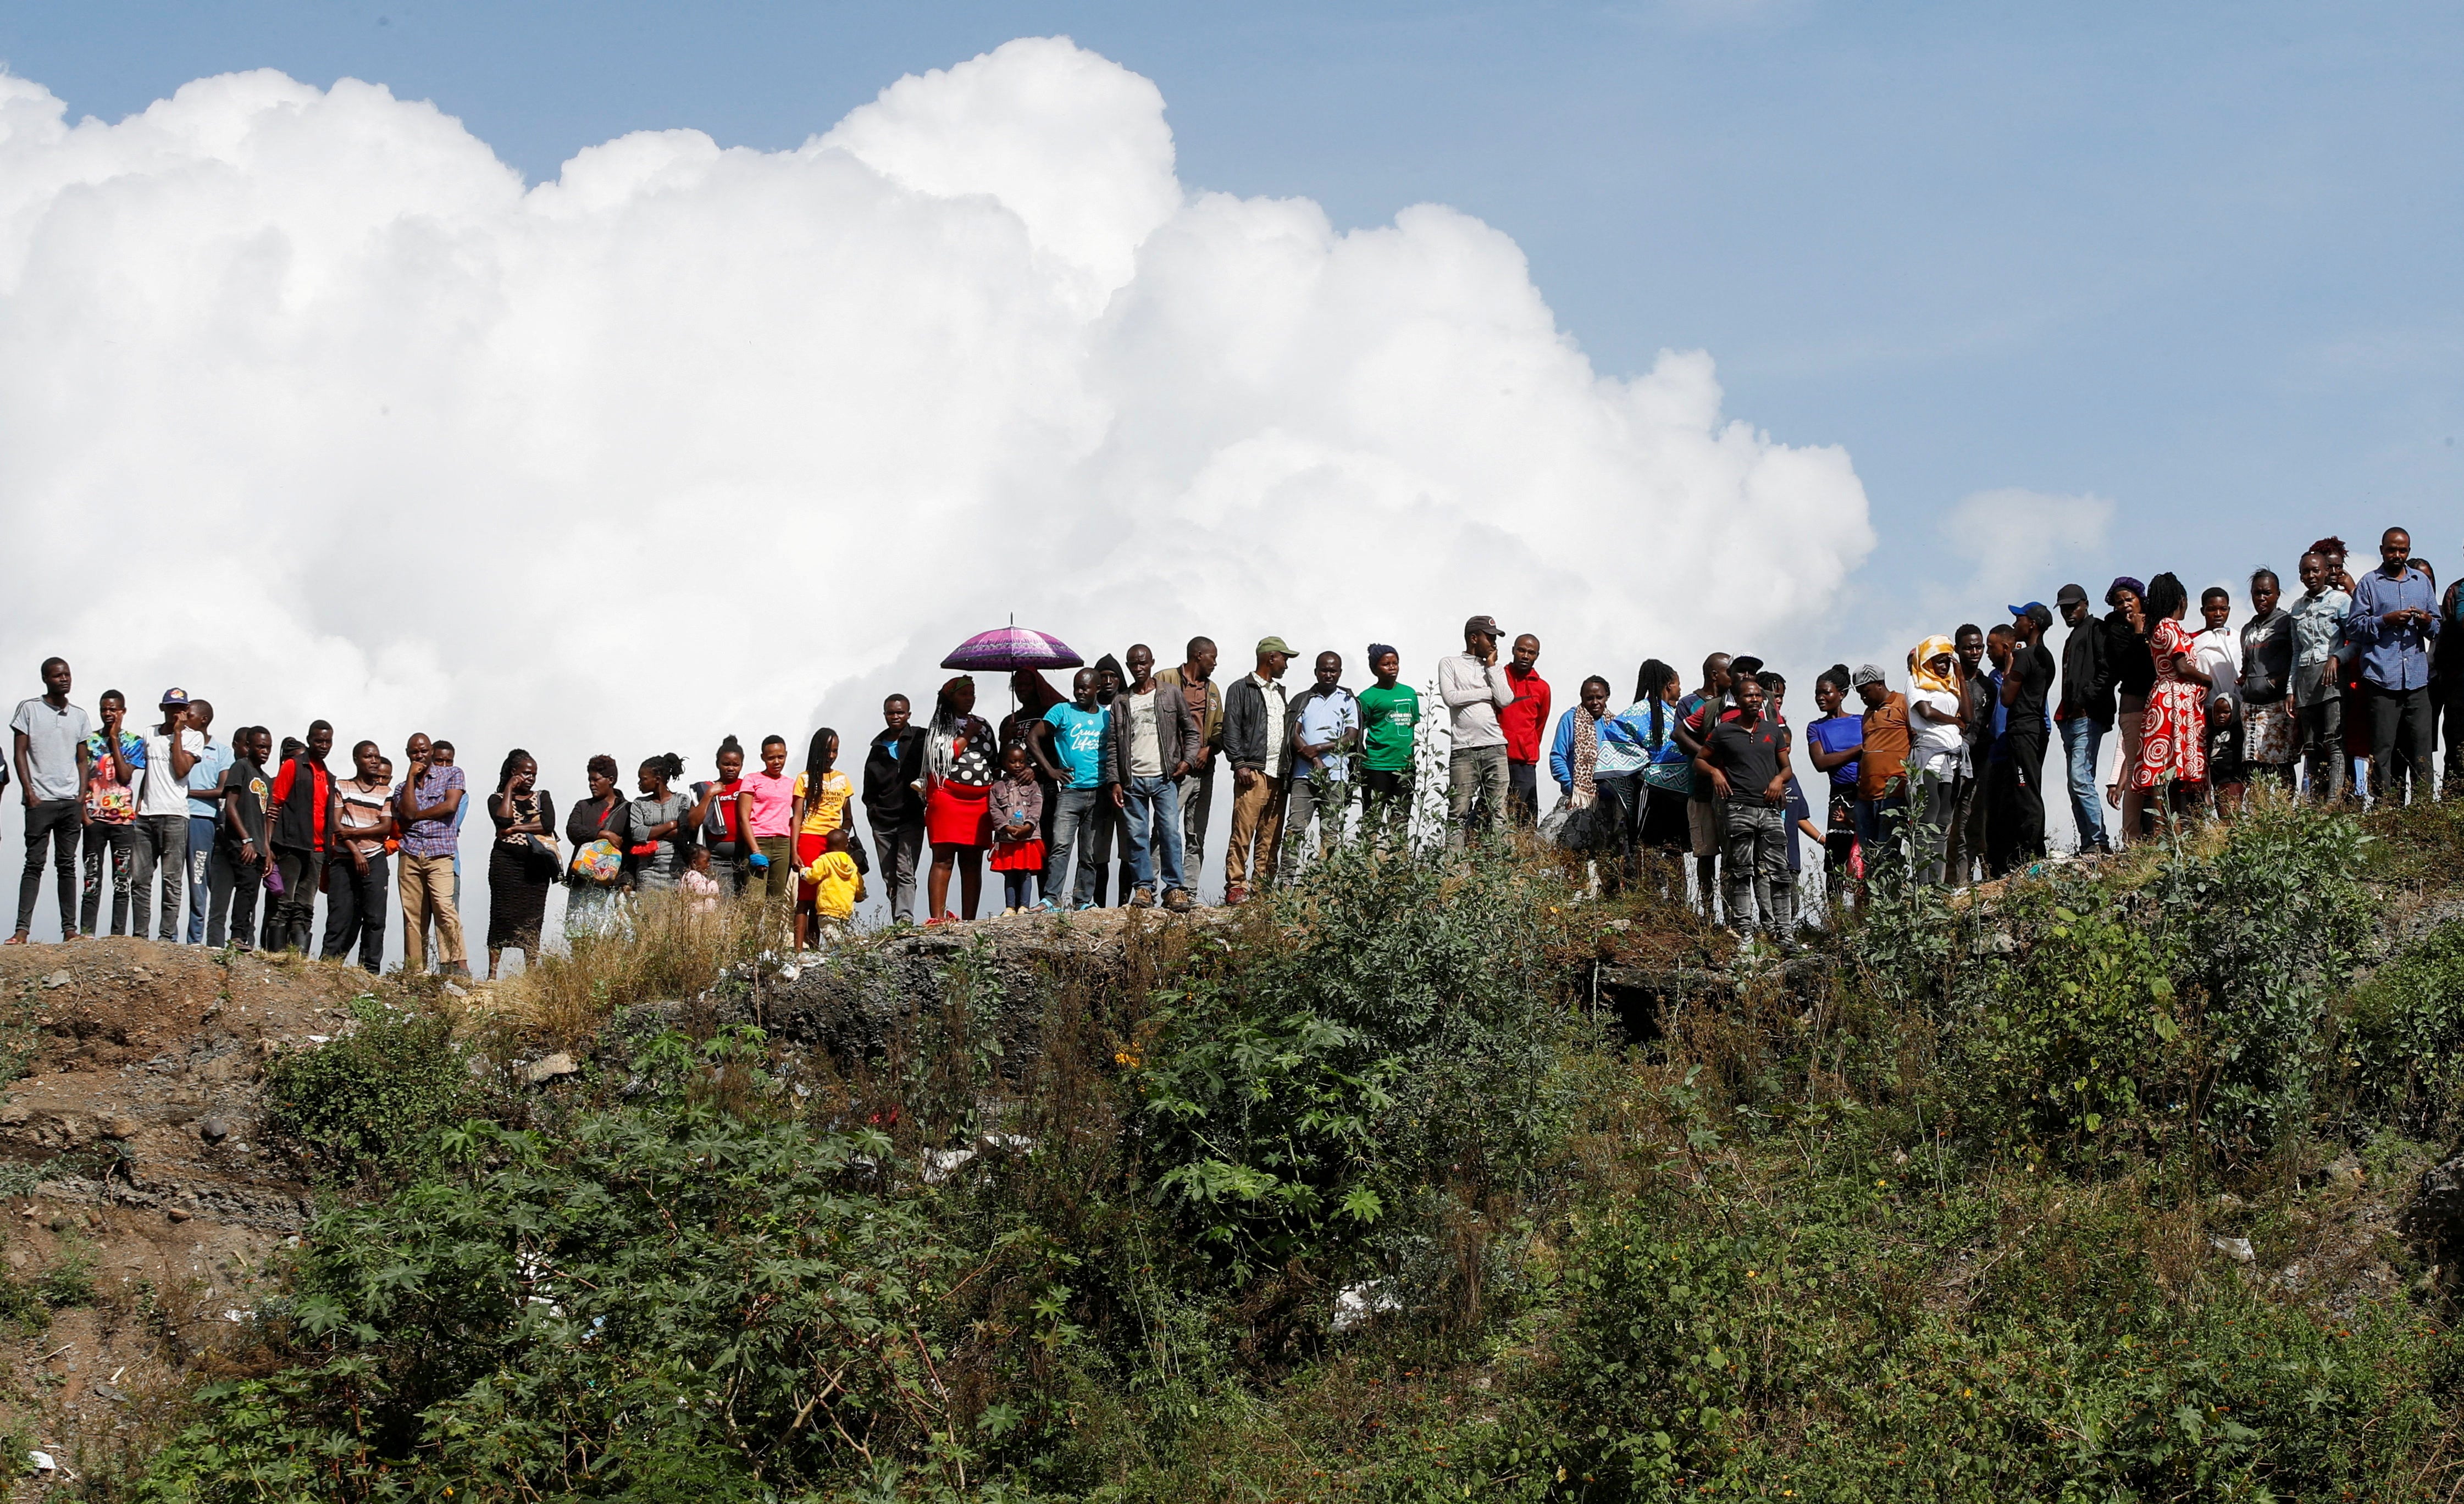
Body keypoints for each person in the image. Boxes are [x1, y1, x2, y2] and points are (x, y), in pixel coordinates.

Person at [1693, 670, 1796, 946]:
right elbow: (1700, 761)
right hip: (1738, 808)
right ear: (1737, 700)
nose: (1754, 699)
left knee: (1779, 871)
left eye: (1758, 695)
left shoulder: (1773, 731)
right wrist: (1716, 774)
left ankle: (1784, 932)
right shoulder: (1724, 731)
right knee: (1741, 871)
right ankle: (1744, 932)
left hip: (1770, 808)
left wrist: (1778, 779)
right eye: (1748, 695)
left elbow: (1787, 769)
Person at [2346, 525, 2441, 806]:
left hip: (2416, 679)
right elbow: (2355, 627)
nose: (2397, 555)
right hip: (2381, 679)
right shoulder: (2369, 583)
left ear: (2408, 552)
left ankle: (2425, 813)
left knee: (2421, 750)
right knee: (2383, 750)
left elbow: (2437, 627)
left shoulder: (2421, 583)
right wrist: (2385, 620)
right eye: (2392, 549)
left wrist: (2425, 621)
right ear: (2382, 550)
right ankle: (2386, 810)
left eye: (2402, 550)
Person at [1112, 644, 1200, 908]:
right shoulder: (1121, 701)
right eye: (1133, 664)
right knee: (1136, 836)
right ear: (1128, 666)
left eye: (1143, 663)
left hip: (1165, 777)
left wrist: (1187, 761)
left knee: (1169, 834)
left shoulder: (1170, 693)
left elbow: (1191, 732)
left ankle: (1175, 889)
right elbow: (1113, 745)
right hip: (1133, 780)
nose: (1138, 669)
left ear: (1152, 663)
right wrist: (1114, 781)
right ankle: (1143, 889)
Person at [10, 658, 91, 945]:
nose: (64, 679)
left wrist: (81, 796)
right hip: (40, 801)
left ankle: (70, 930)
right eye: (58, 676)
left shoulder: (80, 715)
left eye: (68, 674)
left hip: (70, 800)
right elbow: (19, 753)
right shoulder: (29, 709)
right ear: (46, 678)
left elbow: (83, 759)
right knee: (34, 864)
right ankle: (22, 930)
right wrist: (29, 791)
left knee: (67, 865)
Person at [1549, 675, 1648, 889]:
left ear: (1607, 697)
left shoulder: (1616, 724)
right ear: (1582, 698)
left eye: (1599, 697)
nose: (1595, 702)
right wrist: (1572, 788)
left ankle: (1610, 896)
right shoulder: (1570, 719)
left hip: (1612, 800)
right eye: (1589, 698)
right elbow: (1557, 756)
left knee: (1610, 850)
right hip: (1581, 799)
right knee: (1575, 847)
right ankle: (1577, 893)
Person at [2129, 573, 2213, 817]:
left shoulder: (2160, 626)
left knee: (2172, 770)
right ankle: (2163, 833)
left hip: (2171, 700)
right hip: (2173, 702)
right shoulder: (2168, 627)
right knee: (2164, 769)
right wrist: (2208, 679)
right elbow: (2182, 667)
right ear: (2181, 600)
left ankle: (2173, 831)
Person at [1033, 668, 1114, 910]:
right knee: (1060, 846)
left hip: (1099, 792)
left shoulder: (1107, 718)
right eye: (1076, 686)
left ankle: (1082, 901)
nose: (1079, 691)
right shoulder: (1062, 711)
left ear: (1097, 689)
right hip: (1070, 792)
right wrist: (1050, 770)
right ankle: (1051, 898)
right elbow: (1033, 737)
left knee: (1089, 853)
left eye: (1084, 688)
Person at [1220, 638, 1294, 904]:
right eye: (1284, 658)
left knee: (1271, 835)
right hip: (1253, 772)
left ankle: (1262, 888)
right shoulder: (1241, 688)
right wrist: (1239, 763)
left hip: (1278, 774)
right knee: (1243, 831)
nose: (1287, 665)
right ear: (1271, 658)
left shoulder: (1280, 692)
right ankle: (1236, 885)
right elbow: (1230, 729)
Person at [127, 690, 203, 942]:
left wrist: (179, 734)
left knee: (171, 881)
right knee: (139, 879)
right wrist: (138, 804)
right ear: (163, 708)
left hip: (175, 815)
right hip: (147, 815)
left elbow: (181, 770)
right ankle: (140, 936)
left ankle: (166, 936)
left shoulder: (193, 738)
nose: (176, 713)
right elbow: (149, 772)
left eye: (181, 708)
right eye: (171, 708)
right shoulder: (149, 733)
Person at [1277, 651, 1359, 884]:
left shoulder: (1348, 700)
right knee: (1295, 828)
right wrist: (1314, 758)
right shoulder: (1304, 700)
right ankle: (1286, 881)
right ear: (1316, 672)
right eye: (1324, 670)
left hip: (1336, 776)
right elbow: (1293, 732)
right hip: (1303, 776)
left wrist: (1320, 748)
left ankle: (1327, 883)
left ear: (1340, 673)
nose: (1329, 675)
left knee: (1331, 831)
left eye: (1334, 671)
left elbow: (1350, 737)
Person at [922, 679, 997, 923]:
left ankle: (969, 920)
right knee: (943, 858)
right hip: (948, 797)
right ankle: (937, 917)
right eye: (964, 694)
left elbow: (993, 760)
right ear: (951, 697)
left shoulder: (984, 725)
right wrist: (968, 734)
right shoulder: (940, 726)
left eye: (972, 693)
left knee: (973, 861)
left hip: (979, 802)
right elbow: (944, 754)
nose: (970, 698)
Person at [393, 732, 468, 975]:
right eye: (415, 752)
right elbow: (406, 813)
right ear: (408, 754)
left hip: (440, 852)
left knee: (445, 907)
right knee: (413, 914)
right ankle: (415, 969)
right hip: (411, 852)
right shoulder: (402, 787)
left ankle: (457, 965)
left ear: (431, 751)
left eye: (424, 751)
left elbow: (450, 806)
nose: (420, 756)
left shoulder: (452, 774)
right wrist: (410, 778)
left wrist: (418, 816)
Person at [1438, 616, 1515, 848]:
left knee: (1499, 812)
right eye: (1489, 637)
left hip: (1495, 747)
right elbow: (1451, 697)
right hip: (1464, 749)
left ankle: (1502, 870)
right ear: (1474, 638)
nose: (1494, 643)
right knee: (1458, 811)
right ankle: (1454, 872)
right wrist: (1485, 692)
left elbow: (1505, 699)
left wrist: (1492, 667)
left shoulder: (1494, 668)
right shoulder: (1450, 663)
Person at [1991, 603, 2057, 875]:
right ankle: (2030, 851)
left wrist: (2008, 668)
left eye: (2019, 619)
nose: (2015, 625)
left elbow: (2007, 697)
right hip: (2037, 731)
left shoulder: (2024, 657)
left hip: (2022, 732)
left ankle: (2033, 854)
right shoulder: (2047, 657)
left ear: (2032, 625)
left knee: (2025, 791)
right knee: (2029, 788)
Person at [2050, 583, 2114, 855]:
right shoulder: (2075, 635)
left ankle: (2099, 840)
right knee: (2075, 782)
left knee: (2080, 778)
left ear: (2085, 604)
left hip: (2087, 716)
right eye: (2064, 609)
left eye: (2072, 607)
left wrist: (2085, 700)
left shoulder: (2096, 629)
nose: (2068, 612)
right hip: (2071, 718)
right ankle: (2090, 842)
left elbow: (2107, 670)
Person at [262, 722, 335, 954]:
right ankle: (275, 955)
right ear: (309, 740)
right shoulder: (294, 766)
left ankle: (297, 959)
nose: (323, 746)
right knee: (284, 902)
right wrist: (268, 845)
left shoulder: (328, 776)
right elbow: (275, 804)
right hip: (290, 844)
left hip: (318, 849)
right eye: (318, 741)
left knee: (305, 906)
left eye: (328, 742)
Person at [485, 749, 558, 978]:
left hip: (536, 867)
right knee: (500, 916)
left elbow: (547, 824)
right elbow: (503, 819)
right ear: (513, 772)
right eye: (525, 773)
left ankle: (531, 975)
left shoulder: (542, 796)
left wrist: (516, 828)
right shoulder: (496, 799)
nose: (530, 778)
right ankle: (492, 975)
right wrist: (509, 788)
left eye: (534, 774)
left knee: (533, 919)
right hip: (506, 864)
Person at [1156, 639, 1223, 886]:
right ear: (1198, 655)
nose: (1215, 663)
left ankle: (1189, 890)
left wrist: (1210, 748)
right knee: (1164, 829)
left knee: (1196, 835)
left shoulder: (1213, 690)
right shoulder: (1165, 679)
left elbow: (1219, 728)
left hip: (1204, 771)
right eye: (1212, 657)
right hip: (1175, 772)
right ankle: (1150, 889)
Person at [323, 741, 393, 974]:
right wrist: (355, 851)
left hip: (375, 857)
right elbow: (335, 823)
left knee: (375, 917)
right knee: (340, 915)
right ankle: (329, 966)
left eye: (377, 756)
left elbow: (385, 828)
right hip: (345, 859)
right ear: (356, 759)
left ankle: (369, 971)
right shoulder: (342, 787)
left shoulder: (385, 793)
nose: (374, 761)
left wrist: (353, 832)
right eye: (368, 756)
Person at [1673, 653, 1735, 913]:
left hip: (1731, 788)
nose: (1734, 678)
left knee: (1733, 853)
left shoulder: (1735, 702)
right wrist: (1707, 757)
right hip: (1701, 787)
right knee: (1706, 852)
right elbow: (1680, 734)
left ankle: (1732, 912)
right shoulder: (1689, 704)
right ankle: (1708, 912)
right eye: (1728, 672)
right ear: (1714, 675)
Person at [2289, 551, 2353, 802]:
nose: (2311, 576)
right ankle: (2311, 803)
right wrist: (2290, 690)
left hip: (2332, 682)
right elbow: (2296, 652)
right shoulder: (2296, 608)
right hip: (2305, 682)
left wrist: (2337, 658)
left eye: (2316, 570)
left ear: (2327, 571)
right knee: (2312, 746)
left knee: (2334, 741)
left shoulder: (2340, 601)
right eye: (2306, 572)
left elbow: (2356, 641)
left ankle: (2334, 802)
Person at [76, 691, 141, 938]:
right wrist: (84, 815)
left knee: (122, 881)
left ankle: (117, 936)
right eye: (104, 709)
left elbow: (125, 776)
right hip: (94, 819)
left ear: (123, 712)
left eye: (113, 710)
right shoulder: (89, 741)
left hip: (123, 821)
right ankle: (86, 933)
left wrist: (114, 740)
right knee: (91, 879)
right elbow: (80, 778)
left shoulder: (134, 742)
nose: (108, 714)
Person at [1905, 639, 1969, 886]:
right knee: (1927, 822)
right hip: (1929, 758)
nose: (1944, 666)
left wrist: (1961, 678)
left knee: (1944, 822)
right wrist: (1955, 722)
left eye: (1947, 661)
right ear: (1927, 660)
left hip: (1950, 761)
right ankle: (1923, 885)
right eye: (1939, 660)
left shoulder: (1949, 685)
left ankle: (1937, 883)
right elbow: (1926, 711)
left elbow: (1968, 715)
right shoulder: (1917, 681)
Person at [862, 696, 928, 922]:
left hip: (910, 817)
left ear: (909, 714)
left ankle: (905, 919)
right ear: (885, 715)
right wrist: (873, 812)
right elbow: (868, 788)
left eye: (900, 713)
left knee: (906, 871)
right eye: (891, 713)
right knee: (890, 876)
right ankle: (897, 923)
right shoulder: (877, 748)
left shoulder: (921, 738)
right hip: (883, 821)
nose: (896, 717)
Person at [207, 725, 272, 949]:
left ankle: (242, 939)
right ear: (249, 746)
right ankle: (234, 938)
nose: (265, 752)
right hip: (240, 845)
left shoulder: (265, 779)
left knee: (250, 895)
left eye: (268, 748)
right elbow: (231, 806)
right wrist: (246, 840)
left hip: (259, 849)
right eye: (261, 747)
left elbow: (264, 818)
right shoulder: (240, 767)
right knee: (238, 891)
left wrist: (266, 850)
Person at [1630, 660, 1695, 888]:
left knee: (1648, 845)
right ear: (1669, 685)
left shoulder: (1634, 712)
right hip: (1678, 792)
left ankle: (1648, 898)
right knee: (1675, 848)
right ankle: (1678, 905)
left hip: (1649, 790)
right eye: (1678, 684)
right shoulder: (1677, 717)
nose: (1680, 690)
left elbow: (1616, 744)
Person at [2101, 579, 2156, 843]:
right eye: (2119, 601)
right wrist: (2137, 633)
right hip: (2134, 705)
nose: (2125, 605)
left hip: (2156, 704)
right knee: (2136, 770)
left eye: (2129, 599)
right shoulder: (2116, 631)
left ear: (2140, 599)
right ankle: (2132, 838)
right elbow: (2128, 667)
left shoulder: (2154, 623)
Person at [2238, 568, 2298, 795]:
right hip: (2251, 708)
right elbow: (2247, 664)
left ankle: (2286, 811)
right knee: (2254, 765)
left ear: (2277, 594)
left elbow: (2296, 657)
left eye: (2267, 593)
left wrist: (2275, 682)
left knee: (2281, 763)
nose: (2262, 599)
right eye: (2257, 593)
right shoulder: (2247, 628)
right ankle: (2258, 814)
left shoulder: (2286, 622)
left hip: (2277, 706)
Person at [1806, 665, 1863, 898]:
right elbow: (1820, 762)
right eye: (1817, 693)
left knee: (1866, 855)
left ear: (1842, 694)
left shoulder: (1861, 720)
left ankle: (1867, 917)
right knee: (1836, 860)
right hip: (1840, 796)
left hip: (1865, 792)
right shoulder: (1816, 727)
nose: (1820, 698)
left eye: (1826, 693)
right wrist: (1859, 749)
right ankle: (1836, 921)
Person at [789, 734, 851, 943]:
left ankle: (815, 949)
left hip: (833, 845)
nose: (831, 756)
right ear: (817, 751)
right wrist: (794, 851)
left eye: (835, 751)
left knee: (822, 899)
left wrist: (843, 839)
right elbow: (797, 817)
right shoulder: (804, 778)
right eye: (827, 751)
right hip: (809, 838)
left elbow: (848, 817)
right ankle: (798, 951)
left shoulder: (842, 779)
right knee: (805, 899)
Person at [1943, 624, 1992, 889]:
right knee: (1949, 824)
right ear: (1957, 650)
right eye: (1968, 647)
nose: (1975, 652)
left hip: (1980, 762)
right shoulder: (1946, 684)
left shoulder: (1988, 685)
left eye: (1979, 647)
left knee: (1975, 822)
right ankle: (1952, 883)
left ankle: (1976, 879)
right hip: (1950, 763)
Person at [179, 701, 232, 945]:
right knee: (171, 877)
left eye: (188, 715)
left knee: (198, 879)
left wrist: (187, 793)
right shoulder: (177, 745)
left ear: (203, 719)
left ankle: (194, 939)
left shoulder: (221, 752)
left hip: (203, 819)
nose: (183, 717)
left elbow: (222, 790)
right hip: (175, 815)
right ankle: (167, 936)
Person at [1852, 664, 1912, 868]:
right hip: (1866, 796)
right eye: (1859, 693)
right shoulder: (1867, 714)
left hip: (1893, 792)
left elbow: (1916, 741)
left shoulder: (1903, 703)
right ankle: (1874, 900)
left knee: (1888, 854)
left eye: (1865, 691)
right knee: (1869, 856)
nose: (1863, 697)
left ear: (1879, 684)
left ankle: (1893, 898)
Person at [1356, 646, 1419, 842]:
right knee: (1372, 820)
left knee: (1400, 821)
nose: (1392, 667)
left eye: (1395, 663)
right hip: (1376, 766)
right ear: (1375, 669)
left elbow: (1413, 724)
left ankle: (1398, 865)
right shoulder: (1367, 697)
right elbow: (1358, 731)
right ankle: (1369, 867)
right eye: (1386, 664)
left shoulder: (1410, 694)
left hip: (1405, 767)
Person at [563, 755, 629, 936]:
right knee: (577, 935)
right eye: (590, 780)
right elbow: (573, 831)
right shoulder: (583, 806)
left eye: (596, 780)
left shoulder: (628, 810)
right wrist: (602, 834)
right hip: (582, 880)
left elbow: (630, 847)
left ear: (611, 780)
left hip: (610, 883)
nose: (592, 784)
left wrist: (627, 881)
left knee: (606, 936)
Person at [687, 736, 757, 896]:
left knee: (745, 901)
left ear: (742, 765)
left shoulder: (747, 786)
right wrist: (709, 795)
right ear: (717, 763)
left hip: (744, 854)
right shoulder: (704, 788)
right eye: (726, 764)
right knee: (719, 901)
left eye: (736, 764)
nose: (731, 768)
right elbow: (693, 822)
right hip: (716, 858)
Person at [988, 742, 1045, 913]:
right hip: (1007, 838)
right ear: (1005, 763)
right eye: (1013, 762)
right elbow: (994, 809)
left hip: (1028, 837)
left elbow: (1037, 805)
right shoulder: (996, 787)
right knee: (1010, 873)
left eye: (1022, 762)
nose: (1018, 765)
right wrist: (1006, 827)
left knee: (1025, 873)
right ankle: (1010, 907)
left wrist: (1028, 825)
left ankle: (1024, 906)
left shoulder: (1033, 785)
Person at [1501, 634, 1551, 828]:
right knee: (1490, 812)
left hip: (1525, 762)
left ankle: (1526, 856)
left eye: (1531, 652)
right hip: (1497, 757)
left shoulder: (1542, 688)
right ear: (1513, 650)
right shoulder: (1499, 677)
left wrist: (1528, 749)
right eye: (1521, 650)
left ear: (1537, 656)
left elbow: (1540, 724)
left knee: (1525, 818)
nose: (1525, 656)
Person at [629, 752, 694, 896]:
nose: (640, 783)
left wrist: (652, 832)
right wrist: (671, 825)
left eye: (643, 779)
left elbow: (684, 832)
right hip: (648, 873)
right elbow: (637, 833)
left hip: (676, 873)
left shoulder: (682, 800)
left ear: (657, 779)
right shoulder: (639, 804)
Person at [745, 735, 796, 902]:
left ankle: (773, 930)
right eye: (771, 758)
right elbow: (743, 817)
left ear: (786, 755)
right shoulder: (752, 779)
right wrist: (755, 851)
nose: (776, 762)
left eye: (780, 757)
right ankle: (750, 930)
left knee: (776, 902)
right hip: (759, 841)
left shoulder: (791, 784)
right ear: (763, 758)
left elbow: (797, 816)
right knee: (755, 901)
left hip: (783, 845)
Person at [801, 826, 865, 940]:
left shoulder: (825, 860)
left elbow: (813, 876)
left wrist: (803, 872)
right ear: (846, 846)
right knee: (840, 932)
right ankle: (849, 947)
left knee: (831, 934)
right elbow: (858, 882)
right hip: (845, 909)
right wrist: (860, 895)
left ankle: (838, 951)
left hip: (827, 908)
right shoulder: (851, 863)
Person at [2206, 691, 2247, 817]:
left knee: (2230, 813)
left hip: (2233, 779)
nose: (2221, 716)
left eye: (2226, 712)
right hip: (2218, 781)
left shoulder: (2238, 732)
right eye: (2217, 713)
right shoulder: (2213, 732)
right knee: (2222, 814)